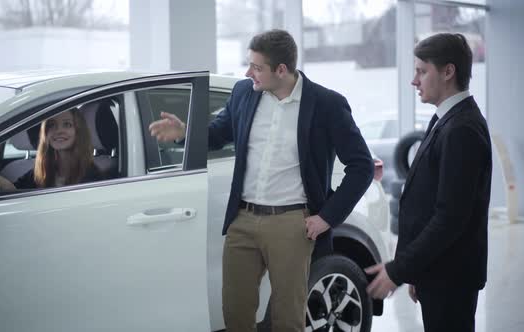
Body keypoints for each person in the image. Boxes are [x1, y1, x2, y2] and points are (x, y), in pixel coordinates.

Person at [149, 29, 373, 332]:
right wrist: (186, 132)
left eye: (256, 67)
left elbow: (361, 167)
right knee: (235, 313)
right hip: (243, 220)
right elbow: (218, 133)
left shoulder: (327, 104)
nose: (248, 72)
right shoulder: (244, 93)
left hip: (292, 224)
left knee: (287, 320)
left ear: (281, 70)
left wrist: (326, 218)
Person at [365, 33, 492, 332]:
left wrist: (399, 270)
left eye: (422, 71)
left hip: (452, 275)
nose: (414, 80)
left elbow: (449, 218)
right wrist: (417, 271)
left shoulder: (462, 129)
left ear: (448, 72)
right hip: (438, 271)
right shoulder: (447, 119)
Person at [0, 109, 103, 191]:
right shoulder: (40, 171)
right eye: (52, 125)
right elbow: (14, 194)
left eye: (67, 124)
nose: (58, 131)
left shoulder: (93, 177)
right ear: (45, 133)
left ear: (78, 131)